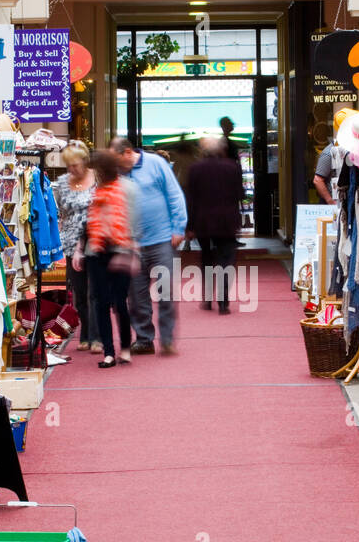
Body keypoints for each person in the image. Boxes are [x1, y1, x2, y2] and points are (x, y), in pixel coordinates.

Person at [110, 136, 187, 355]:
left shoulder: (156, 164)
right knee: (136, 295)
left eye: (119, 160)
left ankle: (168, 339)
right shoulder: (118, 173)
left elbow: (175, 195)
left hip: (162, 240)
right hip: (132, 244)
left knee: (166, 293)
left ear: (127, 152)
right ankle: (144, 338)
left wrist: (178, 228)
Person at [74, 150, 137, 369]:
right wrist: (80, 249)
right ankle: (109, 351)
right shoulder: (95, 190)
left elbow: (135, 220)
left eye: (98, 169)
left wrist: (132, 246)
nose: (96, 173)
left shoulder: (127, 188)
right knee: (101, 303)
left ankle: (126, 347)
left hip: (120, 249)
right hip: (96, 251)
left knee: (120, 303)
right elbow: (88, 222)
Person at [185, 136, 243, 314]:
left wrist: (190, 226)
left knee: (207, 259)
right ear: (221, 149)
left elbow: (191, 199)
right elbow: (240, 194)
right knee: (226, 260)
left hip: (203, 222)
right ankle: (223, 302)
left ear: (203, 150)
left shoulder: (195, 169)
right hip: (227, 221)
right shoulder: (232, 167)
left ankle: (208, 298)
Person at [52, 141, 98, 350]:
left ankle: (97, 335)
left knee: (96, 290)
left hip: (96, 240)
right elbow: (60, 210)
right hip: (71, 243)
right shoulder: (62, 183)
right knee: (79, 292)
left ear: (85, 161)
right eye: (68, 165)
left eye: (76, 165)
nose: (72, 169)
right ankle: (85, 333)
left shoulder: (97, 178)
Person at [313, 108, 355, 204]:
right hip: (334, 206)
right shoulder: (328, 152)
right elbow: (317, 180)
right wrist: (331, 201)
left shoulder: (350, 150)